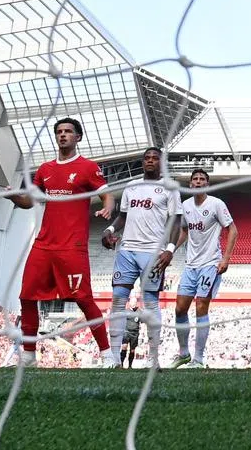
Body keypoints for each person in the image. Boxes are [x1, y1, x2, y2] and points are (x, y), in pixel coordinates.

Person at [6, 117, 116, 368]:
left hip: (72, 246)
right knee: (27, 296)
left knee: (84, 299)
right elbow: (29, 202)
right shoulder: (45, 169)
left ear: (78, 137)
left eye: (68, 131)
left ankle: (107, 354)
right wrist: (13, 197)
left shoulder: (88, 167)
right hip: (44, 244)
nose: (62, 135)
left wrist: (107, 209)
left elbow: (108, 196)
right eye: (59, 132)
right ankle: (29, 356)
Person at [102, 147, 182, 367]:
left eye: (155, 158)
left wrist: (170, 248)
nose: (150, 161)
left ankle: (153, 359)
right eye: (147, 158)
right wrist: (110, 230)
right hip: (126, 250)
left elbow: (175, 221)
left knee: (150, 303)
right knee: (118, 301)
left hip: (153, 253)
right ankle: (114, 358)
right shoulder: (131, 186)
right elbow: (123, 217)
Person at [171, 168, 237, 369]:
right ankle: (184, 354)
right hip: (191, 265)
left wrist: (226, 258)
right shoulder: (186, 205)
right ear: (190, 184)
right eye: (195, 179)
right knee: (180, 309)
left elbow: (233, 229)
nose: (198, 182)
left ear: (207, 184)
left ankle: (199, 359)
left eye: (202, 179)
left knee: (201, 306)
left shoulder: (216, 204)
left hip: (210, 264)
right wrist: (171, 249)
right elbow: (184, 230)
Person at [120, 300, 142, 369]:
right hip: (126, 332)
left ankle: (130, 366)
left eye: (135, 302)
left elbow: (143, 321)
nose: (134, 304)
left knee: (132, 350)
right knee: (124, 346)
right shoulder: (125, 311)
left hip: (135, 333)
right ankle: (121, 364)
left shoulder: (139, 312)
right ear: (129, 303)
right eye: (132, 302)